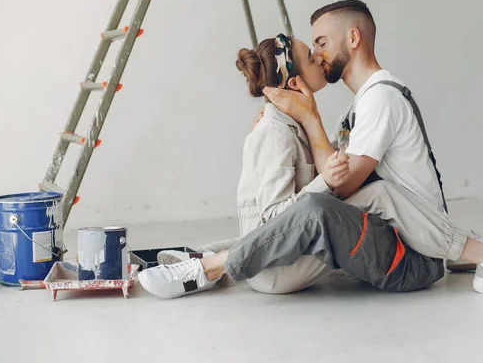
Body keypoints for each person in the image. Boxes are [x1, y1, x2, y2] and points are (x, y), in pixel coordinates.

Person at [261, 0, 483, 292]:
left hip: (418, 248)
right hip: (409, 236)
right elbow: (329, 177)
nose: (317, 55)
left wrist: (311, 119)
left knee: (354, 201)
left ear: (353, 38)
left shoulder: (380, 100)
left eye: (321, 42)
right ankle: (228, 258)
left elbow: (340, 186)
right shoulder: (361, 105)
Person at [138, 34, 445, 298]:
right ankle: (207, 266)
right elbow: (275, 218)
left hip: (281, 252)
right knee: (350, 202)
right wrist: (324, 180)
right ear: (292, 80)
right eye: (311, 58)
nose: (319, 58)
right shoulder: (275, 132)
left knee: (367, 198)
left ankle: (202, 257)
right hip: (276, 270)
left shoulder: (295, 124)